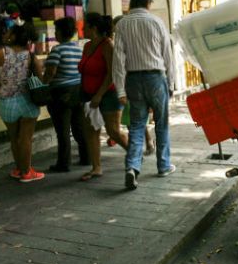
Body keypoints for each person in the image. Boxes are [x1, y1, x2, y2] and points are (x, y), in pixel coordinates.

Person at [113, 0, 177, 190]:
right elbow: (168, 56)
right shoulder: (157, 22)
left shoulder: (122, 24)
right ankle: (164, 165)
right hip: (156, 78)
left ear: (131, 4)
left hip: (133, 80)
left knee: (137, 126)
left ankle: (132, 167)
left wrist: (121, 91)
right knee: (161, 124)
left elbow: (118, 60)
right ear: (148, 2)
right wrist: (172, 84)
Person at [0, 20, 45, 182]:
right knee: (25, 138)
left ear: (13, 37)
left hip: (6, 102)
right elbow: (40, 79)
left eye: (8, 32)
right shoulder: (31, 57)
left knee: (14, 138)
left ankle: (20, 169)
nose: (5, 34)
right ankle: (27, 172)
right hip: (27, 102)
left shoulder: (1, 53)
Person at [78, 13, 129, 181]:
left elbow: (111, 73)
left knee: (113, 131)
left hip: (108, 94)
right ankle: (96, 168)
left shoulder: (108, 45)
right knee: (91, 130)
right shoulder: (87, 46)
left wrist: (99, 95)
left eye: (85, 27)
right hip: (88, 94)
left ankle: (133, 153)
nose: (82, 29)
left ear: (94, 28)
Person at [42, 17, 89, 172]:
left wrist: (43, 82)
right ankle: (86, 157)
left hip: (61, 94)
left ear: (61, 32)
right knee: (79, 127)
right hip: (77, 91)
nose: (55, 33)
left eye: (56, 31)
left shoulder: (57, 50)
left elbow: (50, 73)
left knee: (62, 130)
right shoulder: (78, 49)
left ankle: (63, 163)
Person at [112, 15, 155, 156]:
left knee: (134, 119)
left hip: (130, 85)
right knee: (134, 118)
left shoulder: (121, 44)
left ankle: (142, 146)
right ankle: (147, 142)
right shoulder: (132, 42)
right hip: (131, 84)